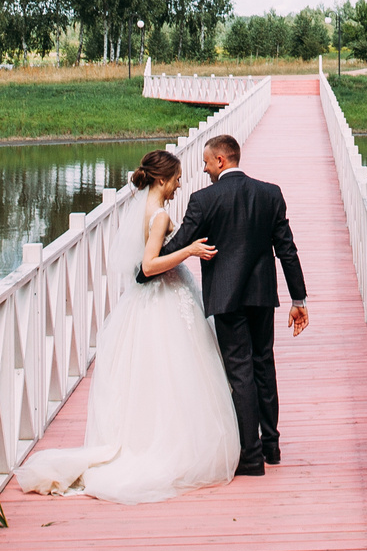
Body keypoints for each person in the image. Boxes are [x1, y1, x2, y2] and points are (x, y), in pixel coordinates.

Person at [12, 148, 240, 502]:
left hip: (144, 303)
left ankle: (143, 435)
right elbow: (149, 266)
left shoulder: (142, 209)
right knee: (175, 371)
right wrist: (189, 250)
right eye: (177, 178)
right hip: (163, 297)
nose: (180, 185)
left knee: (149, 374)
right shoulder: (160, 215)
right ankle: (166, 444)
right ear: (162, 179)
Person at [150, 132, 308, 475]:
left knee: (240, 371)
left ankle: (251, 458)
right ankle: (272, 447)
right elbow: (287, 249)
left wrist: (149, 259)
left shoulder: (204, 200)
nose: (204, 170)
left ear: (221, 160)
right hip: (263, 295)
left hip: (225, 297)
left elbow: (179, 244)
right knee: (264, 365)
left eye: (206, 163)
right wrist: (299, 298)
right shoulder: (270, 193)